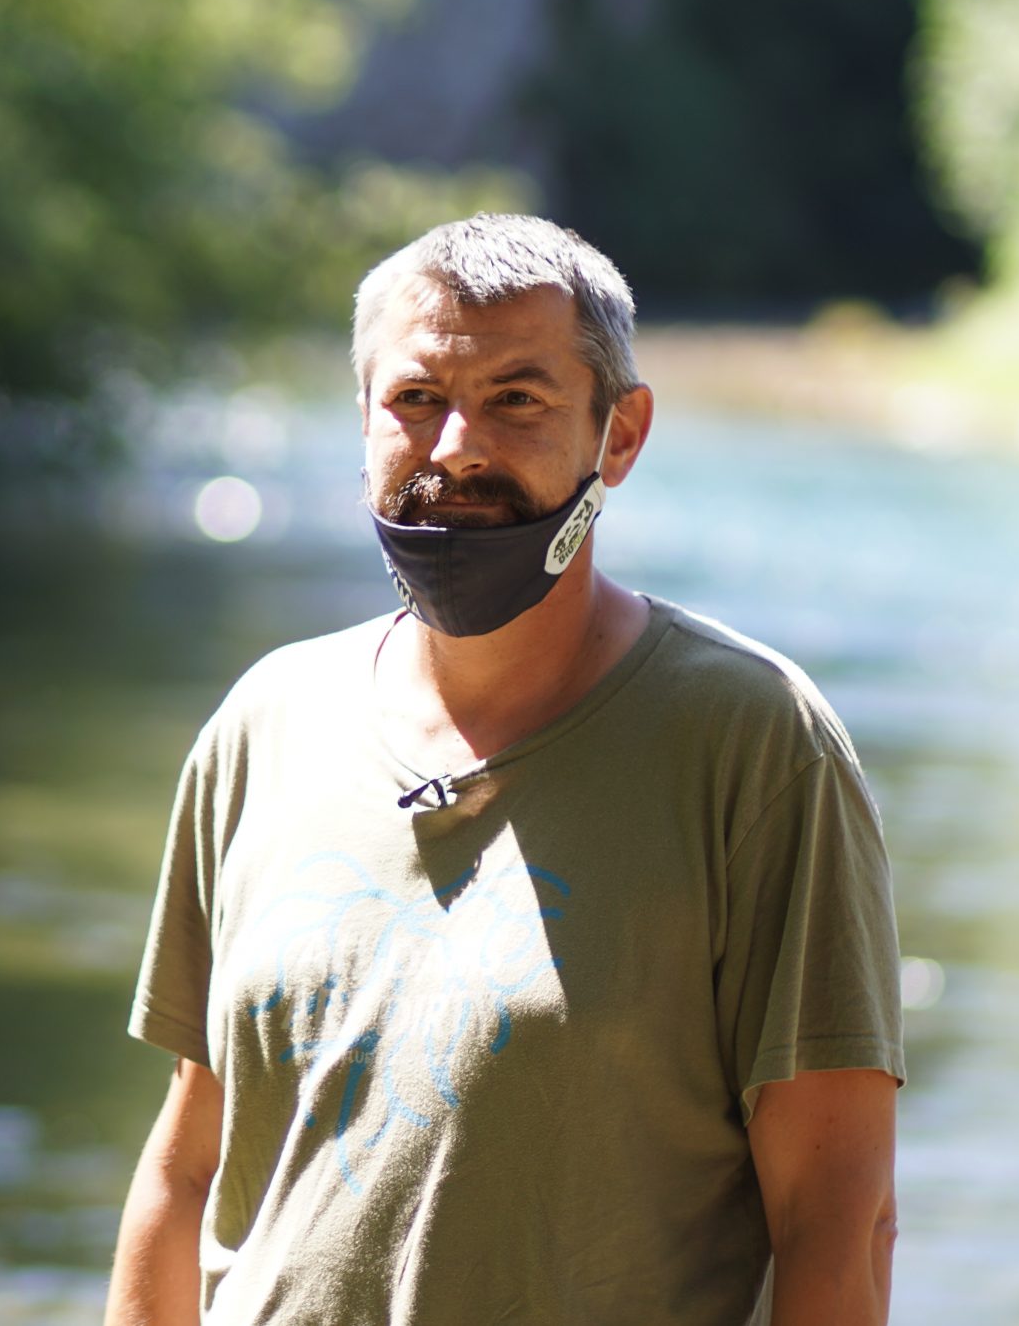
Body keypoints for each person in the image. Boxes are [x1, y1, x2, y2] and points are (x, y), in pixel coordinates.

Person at [105, 214, 904, 1326]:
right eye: (416, 399)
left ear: (617, 436)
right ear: (365, 420)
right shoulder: (265, 725)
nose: (455, 449)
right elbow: (188, 1168)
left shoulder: (755, 746)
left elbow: (837, 1220)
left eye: (518, 400)